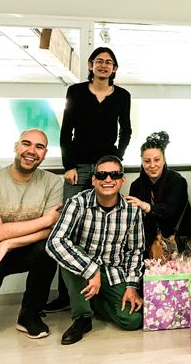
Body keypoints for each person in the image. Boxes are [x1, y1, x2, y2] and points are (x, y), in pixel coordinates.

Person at [49, 46, 131, 313]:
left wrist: (115, 161)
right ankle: (65, 295)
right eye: (99, 61)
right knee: (67, 230)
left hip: (107, 168)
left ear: (114, 68)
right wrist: (68, 166)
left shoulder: (122, 96)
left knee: (104, 225)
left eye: (109, 62)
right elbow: (66, 133)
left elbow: (126, 131)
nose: (104, 66)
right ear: (90, 65)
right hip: (79, 167)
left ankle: (100, 290)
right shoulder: (75, 92)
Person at [0, 129, 62, 338]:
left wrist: (8, 244)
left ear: (45, 153)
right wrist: (46, 219)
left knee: (49, 250)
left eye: (39, 147)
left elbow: (51, 232)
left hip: (20, 250)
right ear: (16, 146)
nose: (31, 151)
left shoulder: (53, 183)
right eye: (26, 144)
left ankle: (29, 314)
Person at [46, 155, 144, 345]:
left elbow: (135, 251)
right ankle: (83, 318)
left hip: (113, 271)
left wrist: (132, 287)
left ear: (122, 180)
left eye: (114, 175)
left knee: (133, 320)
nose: (108, 179)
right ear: (93, 180)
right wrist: (91, 269)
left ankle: (94, 304)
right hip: (84, 271)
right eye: (101, 175)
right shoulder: (77, 203)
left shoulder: (133, 211)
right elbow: (55, 242)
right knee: (70, 251)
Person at [127, 131, 191, 257]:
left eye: (157, 160)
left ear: (164, 159)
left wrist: (147, 206)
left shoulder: (178, 181)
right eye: (147, 161)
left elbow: (170, 210)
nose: (152, 165)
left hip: (183, 238)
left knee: (188, 274)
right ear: (142, 162)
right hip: (153, 242)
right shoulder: (136, 186)